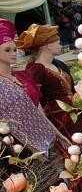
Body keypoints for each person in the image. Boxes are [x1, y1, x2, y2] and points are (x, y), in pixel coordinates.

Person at [0, 19, 57, 153]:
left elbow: (38, 109)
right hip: (18, 147)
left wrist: (58, 135)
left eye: (14, 49)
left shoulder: (23, 77)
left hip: (46, 137)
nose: (13, 53)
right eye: (7, 50)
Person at [17, 24, 79, 139]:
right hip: (59, 121)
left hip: (75, 115)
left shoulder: (58, 64)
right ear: (47, 45)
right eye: (58, 42)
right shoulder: (35, 69)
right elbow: (35, 101)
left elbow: (71, 90)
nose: (60, 44)